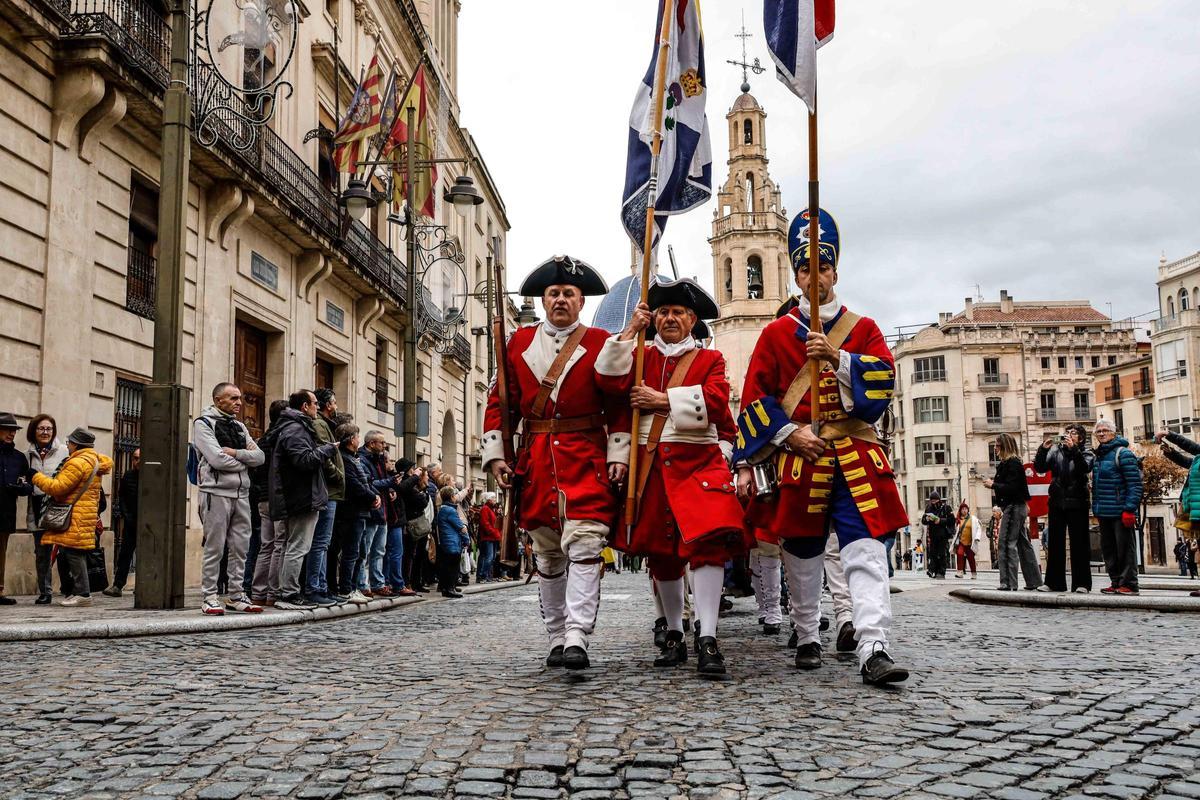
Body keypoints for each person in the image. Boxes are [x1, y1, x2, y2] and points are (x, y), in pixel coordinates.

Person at [733, 209, 909, 686]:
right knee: (804, 550)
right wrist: (791, 434)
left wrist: (839, 358)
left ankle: (874, 645)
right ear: (795, 273)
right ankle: (807, 632)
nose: (815, 276)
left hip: (855, 455)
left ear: (835, 271)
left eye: (823, 266)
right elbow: (754, 400)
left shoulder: (864, 328)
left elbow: (882, 384)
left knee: (866, 548)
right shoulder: (774, 334)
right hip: (802, 457)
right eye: (805, 267)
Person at [484, 255, 630, 671]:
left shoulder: (602, 340)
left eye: (568, 293)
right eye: (553, 293)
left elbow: (618, 403)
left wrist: (618, 454)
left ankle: (577, 635)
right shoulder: (517, 342)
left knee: (585, 544)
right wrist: (497, 455)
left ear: (581, 300)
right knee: (547, 554)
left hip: (586, 454)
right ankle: (556, 634)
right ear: (544, 300)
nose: (560, 299)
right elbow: (501, 401)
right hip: (536, 458)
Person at [597, 279, 746, 675]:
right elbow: (607, 383)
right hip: (652, 461)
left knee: (708, 547)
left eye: (678, 312)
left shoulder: (709, 359)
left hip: (699, 461)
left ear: (691, 319)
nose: (670, 319)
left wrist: (661, 400)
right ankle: (676, 633)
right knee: (663, 553)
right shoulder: (638, 355)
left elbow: (716, 402)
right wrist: (630, 330)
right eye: (662, 312)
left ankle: (708, 636)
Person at [192, 383, 265, 615]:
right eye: (233, 398)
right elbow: (216, 459)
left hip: (241, 493)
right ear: (217, 400)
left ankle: (236, 594)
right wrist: (245, 461)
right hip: (215, 493)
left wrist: (237, 454)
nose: (238, 403)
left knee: (240, 547)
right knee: (215, 547)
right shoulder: (203, 424)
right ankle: (210, 596)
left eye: (240, 398)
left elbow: (260, 456)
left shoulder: (240, 427)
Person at [269, 390, 338, 610]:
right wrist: (326, 449)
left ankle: (286, 591)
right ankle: (288, 593)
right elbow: (304, 460)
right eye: (315, 403)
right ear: (305, 406)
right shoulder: (295, 430)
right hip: (301, 496)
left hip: (300, 494)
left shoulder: (296, 428)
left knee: (294, 546)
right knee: (298, 547)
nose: (318, 407)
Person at [30, 428, 112, 607]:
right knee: (74, 552)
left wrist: (36, 477)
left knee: (74, 553)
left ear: (76, 444)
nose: (67, 445)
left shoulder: (78, 463)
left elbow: (58, 487)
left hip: (76, 515)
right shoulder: (94, 460)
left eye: (69, 442)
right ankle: (79, 591)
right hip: (84, 514)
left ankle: (83, 593)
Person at [1033, 424, 1094, 593]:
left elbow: (1084, 468)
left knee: (1080, 544)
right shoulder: (1055, 451)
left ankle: (1082, 584)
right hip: (1057, 502)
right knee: (1055, 544)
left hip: (1078, 502)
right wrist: (1043, 450)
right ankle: (1053, 582)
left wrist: (1074, 450)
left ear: (1080, 438)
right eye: (1067, 433)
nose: (1069, 435)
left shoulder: (1087, 453)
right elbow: (1040, 468)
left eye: (1073, 433)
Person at [301, 389, 345, 606]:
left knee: (323, 543)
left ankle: (322, 587)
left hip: (330, 491)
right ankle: (314, 587)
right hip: (327, 490)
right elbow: (323, 454)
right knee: (320, 542)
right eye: (334, 402)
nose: (336, 406)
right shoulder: (319, 425)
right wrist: (338, 475)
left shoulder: (326, 425)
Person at [984, 433, 1041, 591]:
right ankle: (1034, 581)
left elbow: (1013, 488)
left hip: (1013, 507)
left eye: (997, 445)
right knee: (1023, 544)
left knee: (1006, 544)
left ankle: (1008, 582)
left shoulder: (1013, 464)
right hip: (1016, 506)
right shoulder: (1008, 464)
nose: (995, 448)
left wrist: (993, 485)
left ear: (1005, 447)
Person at [1091, 419, 1142, 595]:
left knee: (1125, 549)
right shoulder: (1099, 456)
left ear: (1114, 433)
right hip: (1104, 511)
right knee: (1109, 550)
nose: (1102, 434)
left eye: (1105, 430)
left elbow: (1134, 484)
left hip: (1121, 512)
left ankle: (1129, 584)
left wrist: (1129, 509)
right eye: (1098, 432)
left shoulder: (1123, 454)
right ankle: (1115, 582)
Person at [25, 414, 67, 604]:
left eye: (49, 429)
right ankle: (45, 591)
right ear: (34, 431)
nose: (45, 432)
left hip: (59, 507)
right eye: (41, 428)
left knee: (66, 551)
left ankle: (71, 589)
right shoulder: (27, 455)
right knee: (42, 554)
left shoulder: (64, 451)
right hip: (36, 508)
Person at [333, 423, 377, 604]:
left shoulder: (354, 457)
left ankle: (352, 587)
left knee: (359, 552)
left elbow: (364, 481)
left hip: (360, 511)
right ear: (351, 440)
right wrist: (372, 496)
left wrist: (372, 495)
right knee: (351, 552)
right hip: (352, 511)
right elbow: (355, 484)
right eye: (357, 437)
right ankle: (346, 589)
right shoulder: (345, 459)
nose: (359, 440)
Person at [0, 412, 32, 604]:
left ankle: (0, 590)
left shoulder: (19, 458)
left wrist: (21, 488)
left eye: (14, 430)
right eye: (7, 429)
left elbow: (28, 485)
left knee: (1, 551)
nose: (11, 433)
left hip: (5, 511)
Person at [358, 431, 393, 597]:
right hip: (371, 511)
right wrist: (390, 483)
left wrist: (391, 488)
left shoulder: (379, 459)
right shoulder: (363, 459)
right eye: (381, 442)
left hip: (382, 511)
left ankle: (378, 583)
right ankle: (362, 584)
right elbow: (370, 483)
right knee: (365, 551)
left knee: (379, 551)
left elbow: (382, 482)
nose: (384, 445)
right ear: (371, 443)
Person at [103, 447, 140, 597]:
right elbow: (122, 497)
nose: (138, 461)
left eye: (140, 458)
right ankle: (118, 585)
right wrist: (127, 516)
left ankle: (144, 585)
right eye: (135, 458)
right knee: (125, 555)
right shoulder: (128, 476)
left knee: (147, 556)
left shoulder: (154, 476)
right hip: (131, 523)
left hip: (149, 525)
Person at [435, 485, 470, 597]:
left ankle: (447, 587)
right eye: (455, 494)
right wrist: (466, 539)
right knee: (452, 567)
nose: (456, 496)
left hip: (448, 541)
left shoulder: (443, 509)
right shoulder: (450, 510)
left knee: (447, 566)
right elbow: (461, 528)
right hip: (452, 542)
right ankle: (450, 589)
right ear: (451, 497)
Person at [921, 493, 954, 580]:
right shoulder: (928, 508)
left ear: (939, 500)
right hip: (932, 535)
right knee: (933, 554)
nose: (933, 502)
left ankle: (941, 572)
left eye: (935, 500)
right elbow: (923, 521)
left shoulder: (946, 508)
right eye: (932, 500)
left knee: (941, 554)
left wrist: (940, 521)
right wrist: (927, 519)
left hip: (943, 535)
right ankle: (932, 570)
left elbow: (952, 520)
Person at [476, 492, 501, 583]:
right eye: (494, 498)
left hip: (493, 537)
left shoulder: (492, 509)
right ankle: (482, 575)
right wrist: (495, 533)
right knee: (488, 557)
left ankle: (487, 576)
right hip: (488, 537)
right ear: (489, 499)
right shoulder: (485, 509)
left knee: (492, 557)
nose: (495, 499)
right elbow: (485, 524)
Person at [952, 502, 980, 579]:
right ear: (960, 511)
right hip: (961, 541)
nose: (964, 511)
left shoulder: (973, 518)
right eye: (962, 509)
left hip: (970, 542)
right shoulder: (958, 519)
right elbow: (956, 530)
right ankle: (960, 572)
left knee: (971, 557)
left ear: (968, 510)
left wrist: (977, 537)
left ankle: (974, 573)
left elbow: (978, 528)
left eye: (965, 509)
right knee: (959, 554)